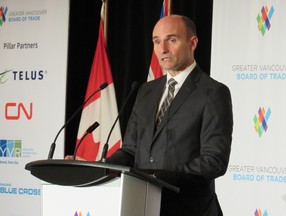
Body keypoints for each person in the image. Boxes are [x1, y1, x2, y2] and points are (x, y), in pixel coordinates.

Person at [67, 14, 233, 216]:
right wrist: (98, 167)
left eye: (172, 40)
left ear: (193, 42)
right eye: (157, 41)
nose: (162, 49)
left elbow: (214, 161)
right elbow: (130, 151)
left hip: (188, 209)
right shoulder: (146, 91)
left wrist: (158, 177)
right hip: (141, 206)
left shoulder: (213, 92)